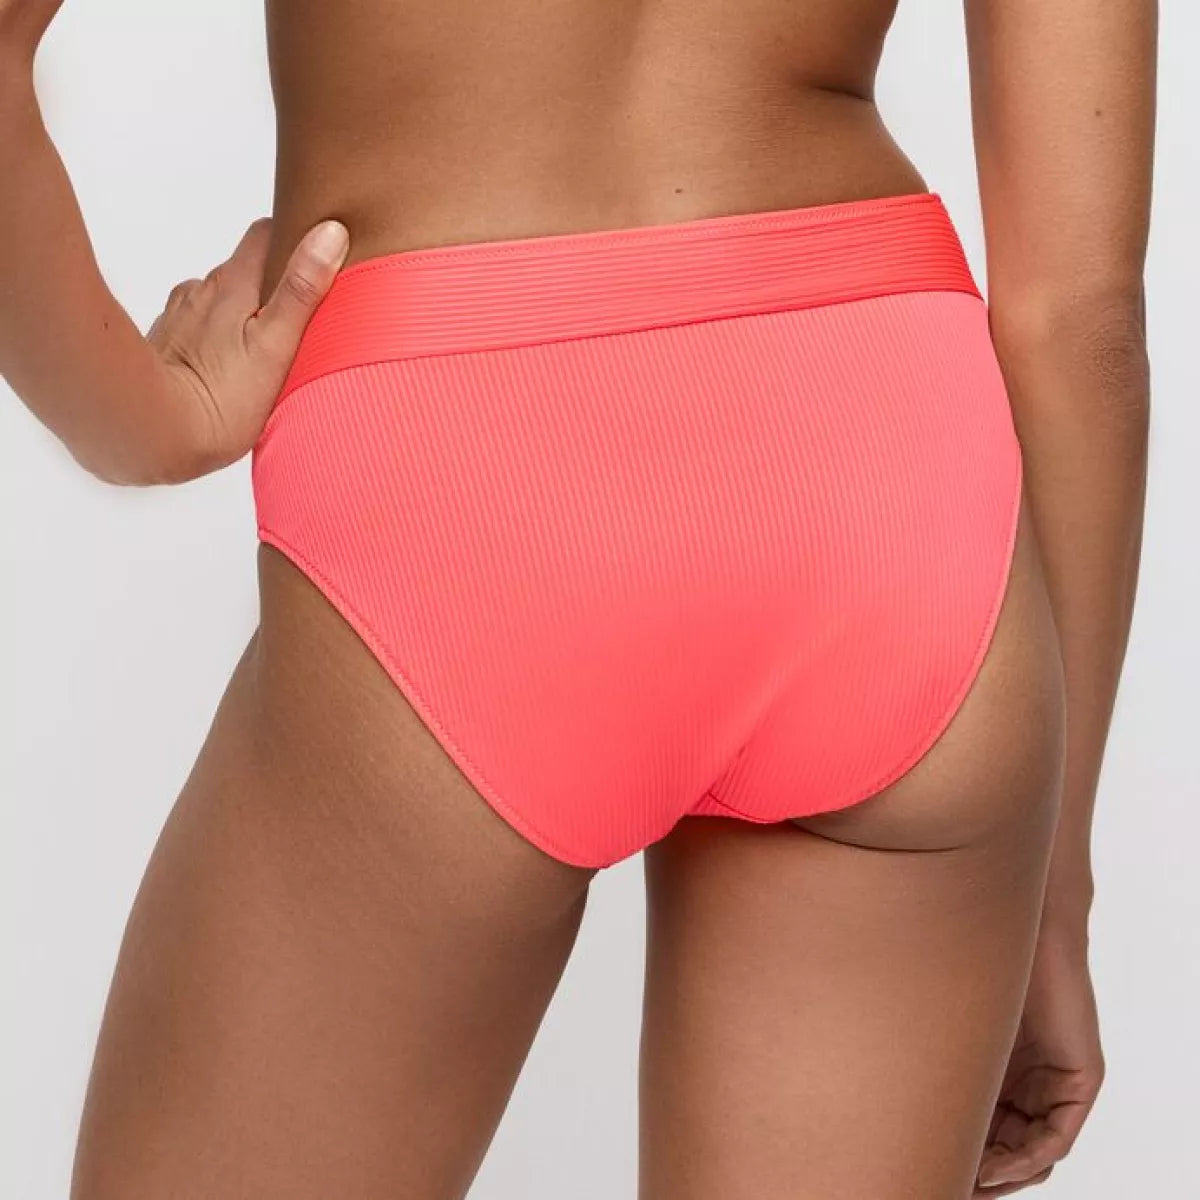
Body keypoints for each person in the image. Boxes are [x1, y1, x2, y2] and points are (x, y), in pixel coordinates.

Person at [0, 0, 1156, 1196]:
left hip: (465, 461)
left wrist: (143, 425)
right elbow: (1084, 322)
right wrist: (1050, 888)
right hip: (885, 456)